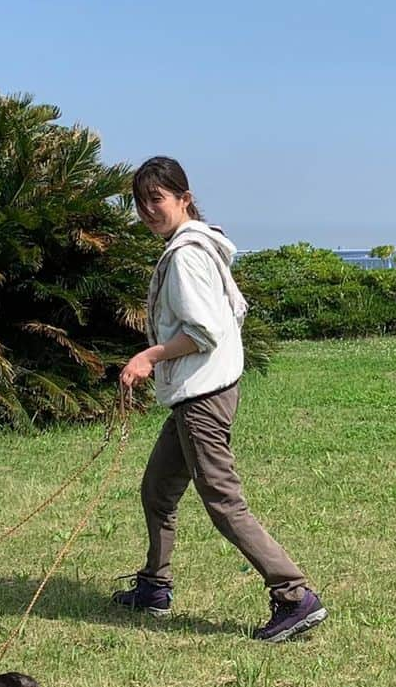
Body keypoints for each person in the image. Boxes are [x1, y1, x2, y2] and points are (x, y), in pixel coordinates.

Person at [113, 156, 327, 643]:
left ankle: (294, 595)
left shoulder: (187, 255)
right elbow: (236, 312)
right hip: (202, 392)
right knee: (158, 491)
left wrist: (149, 356)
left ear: (183, 199)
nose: (148, 211)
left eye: (157, 199)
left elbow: (204, 331)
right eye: (141, 202)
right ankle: (154, 588)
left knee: (224, 504)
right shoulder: (203, 246)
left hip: (202, 398)